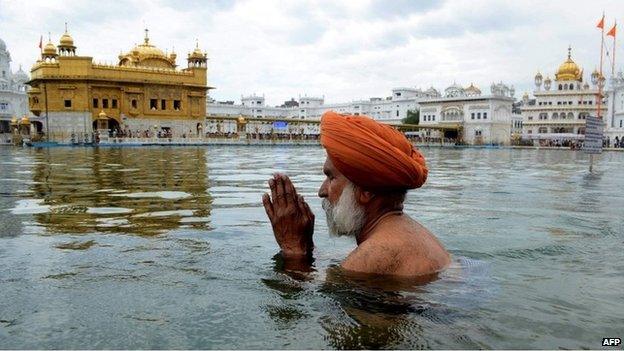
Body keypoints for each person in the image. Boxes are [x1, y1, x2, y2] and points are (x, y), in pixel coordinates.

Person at [262, 111, 450, 278]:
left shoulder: (372, 258)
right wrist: (306, 247)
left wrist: (292, 249)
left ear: (366, 191)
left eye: (331, 177)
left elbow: (320, 310)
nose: (321, 191)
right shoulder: (417, 236)